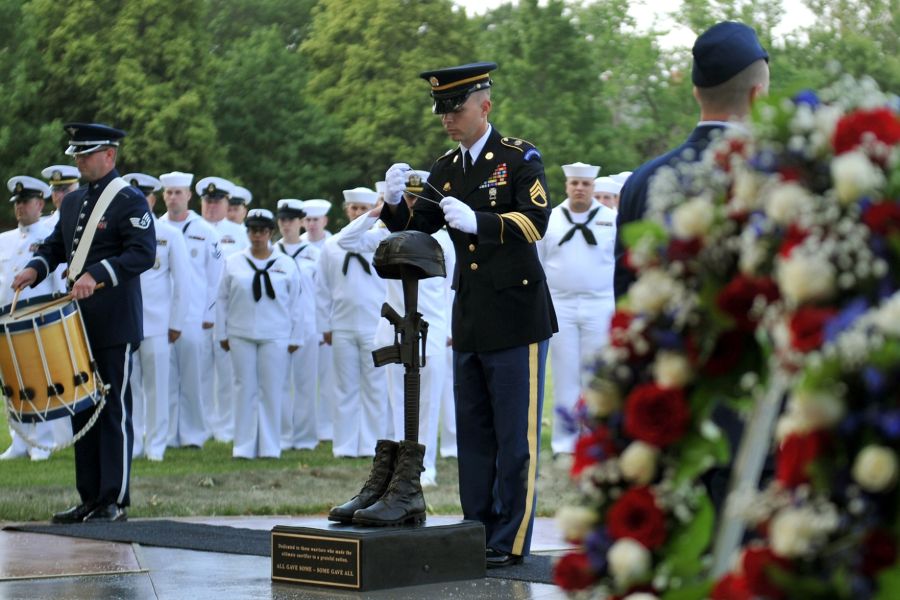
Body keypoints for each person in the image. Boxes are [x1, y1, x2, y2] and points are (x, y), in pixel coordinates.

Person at [381, 62, 557, 567]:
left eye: (455, 109)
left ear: (485, 105)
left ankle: (510, 537)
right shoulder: (446, 168)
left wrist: (480, 220)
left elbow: (535, 220)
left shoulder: (519, 157)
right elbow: (420, 226)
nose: (446, 119)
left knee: (514, 437)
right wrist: (394, 204)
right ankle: (476, 527)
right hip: (472, 315)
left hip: (517, 315)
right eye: (441, 111)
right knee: (474, 435)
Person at [12, 122, 156, 523]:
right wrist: (34, 269)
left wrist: (99, 274)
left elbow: (142, 254)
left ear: (109, 156)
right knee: (82, 408)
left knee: (111, 409)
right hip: (75, 323)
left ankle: (115, 499)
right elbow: (58, 245)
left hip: (114, 323)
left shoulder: (129, 200)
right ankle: (90, 497)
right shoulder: (73, 201)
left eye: (86, 154)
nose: (78, 160)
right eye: (76, 153)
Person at [614, 21, 769, 298]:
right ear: (757, 96)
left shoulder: (639, 182)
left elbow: (627, 296)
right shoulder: (771, 175)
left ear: (696, 92)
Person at [335, 171, 456, 487]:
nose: (412, 204)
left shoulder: (444, 237)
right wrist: (377, 212)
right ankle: (402, 465)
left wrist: (449, 330)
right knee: (397, 400)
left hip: (431, 328)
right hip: (394, 327)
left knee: (428, 402)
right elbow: (345, 241)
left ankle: (425, 466)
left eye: (417, 198)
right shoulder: (386, 233)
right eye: (407, 198)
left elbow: (453, 289)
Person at [538, 162, 617, 456]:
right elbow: (539, 263)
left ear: (593, 187)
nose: (580, 189)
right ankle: (565, 442)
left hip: (600, 303)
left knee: (596, 376)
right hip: (561, 305)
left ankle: (596, 438)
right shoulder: (550, 220)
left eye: (585, 184)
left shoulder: (611, 219)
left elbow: (620, 262)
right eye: (575, 184)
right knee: (565, 375)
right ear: (567, 186)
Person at [216, 209, 302, 459]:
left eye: (262, 231)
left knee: (272, 390)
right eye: (253, 231)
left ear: (270, 233)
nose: (257, 236)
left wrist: (296, 337)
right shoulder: (234, 262)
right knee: (244, 388)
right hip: (241, 332)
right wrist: (221, 333)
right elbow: (221, 300)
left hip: (275, 334)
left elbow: (296, 304)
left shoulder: (286, 263)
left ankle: (270, 446)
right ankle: (243, 446)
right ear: (248, 232)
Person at [315, 187, 387, 458]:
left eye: (362, 208)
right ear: (346, 210)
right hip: (342, 324)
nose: (357, 212)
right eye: (353, 208)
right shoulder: (333, 245)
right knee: (344, 387)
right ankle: (344, 445)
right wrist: (325, 326)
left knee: (375, 387)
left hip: (374, 323)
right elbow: (322, 289)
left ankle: (370, 445)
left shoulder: (381, 239)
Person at [123, 172, 189, 461]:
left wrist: (176, 322)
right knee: (131, 388)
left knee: (158, 388)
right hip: (126, 322)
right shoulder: (119, 233)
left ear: (152, 199)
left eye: (144, 197)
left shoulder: (169, 234)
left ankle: (157, 446)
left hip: (157, 323)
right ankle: (135, 443)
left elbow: (183, 282)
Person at [0, 176, 64, 461]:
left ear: (40, 203)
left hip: (40, 321)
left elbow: (60, 283)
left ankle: (42, 442)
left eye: (25, 202)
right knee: (13, 383)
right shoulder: (4, 240)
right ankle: (20, 440)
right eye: (17, 203)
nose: (20, 208)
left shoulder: (51, 237)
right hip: (7, 321)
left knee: (42, 382)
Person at [158, 171, 223, 448]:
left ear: (188, 196)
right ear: (163, 196)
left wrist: (209, 314)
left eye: (178, 192)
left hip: (195, 315)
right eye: (169, 193)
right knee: (166, 378)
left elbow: (216, 277)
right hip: (161, 315)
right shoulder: (155, 228)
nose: (173, 197)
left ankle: (194, 434)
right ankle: (168, 433)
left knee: (194, 377)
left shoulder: (205, 231)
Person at [197, 176, 249, 444]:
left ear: (227, 202)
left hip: (230, 314)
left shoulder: (240, 233)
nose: (212, 206)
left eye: (217, 202)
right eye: (207, 201)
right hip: (197, 314)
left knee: (228, 374)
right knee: (200, 374)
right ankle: (203, 425)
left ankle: (227, 426)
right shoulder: (193, 228)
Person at [275, 198, 321, 451]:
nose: (286, 225)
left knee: (305, 384)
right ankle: (283, 435)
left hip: (308, 324)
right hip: (279, 325)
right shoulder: (272, 252)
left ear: (300, 223)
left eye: (291, 220)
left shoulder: (314, 254)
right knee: (279, 383)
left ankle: (305, 437)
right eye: (282, 220)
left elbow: (323, 292)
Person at [300, 198, 335, 442]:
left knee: (328, 379)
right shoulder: (292, 246)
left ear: (325, 221)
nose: (312, 224)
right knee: (302, 379)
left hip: (327, 321)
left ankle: (326, 427)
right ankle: (304, 425)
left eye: (316, 220)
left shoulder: (333, 245)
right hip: (301, 322)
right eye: (308, 220)